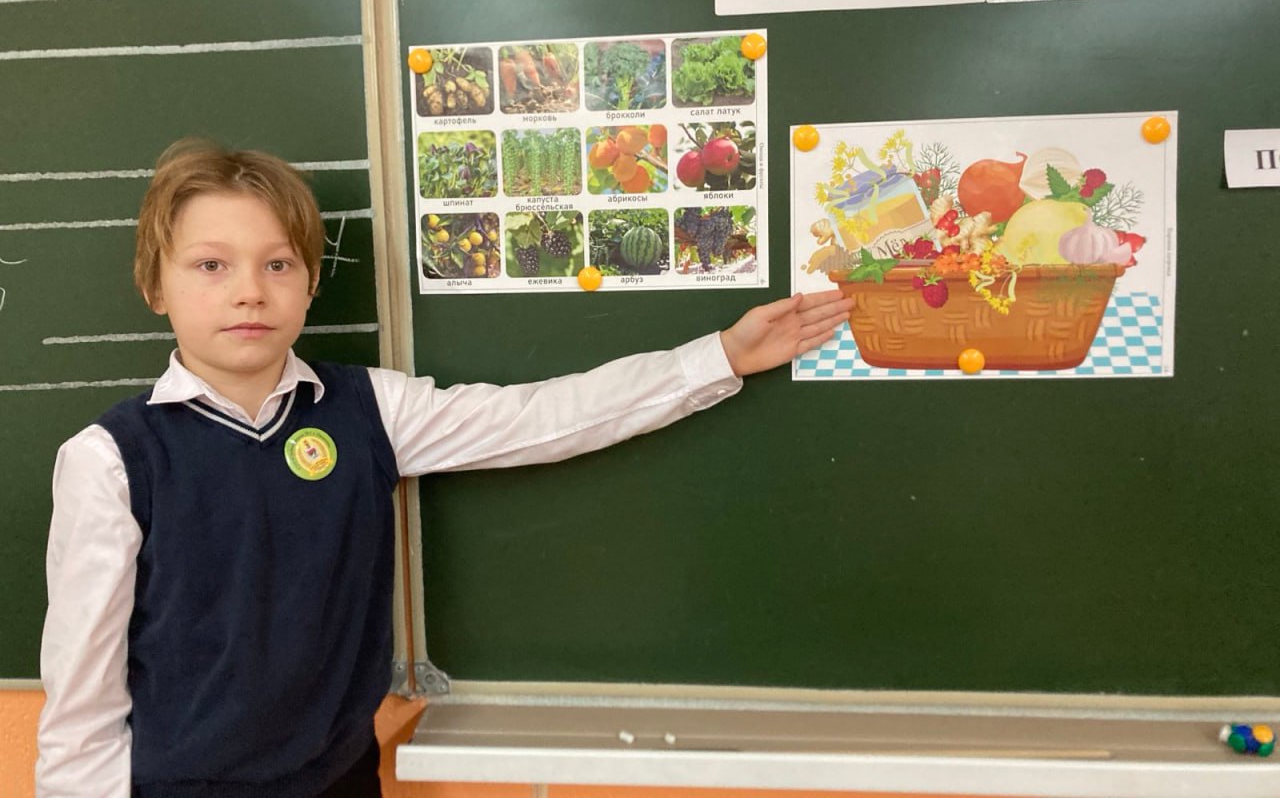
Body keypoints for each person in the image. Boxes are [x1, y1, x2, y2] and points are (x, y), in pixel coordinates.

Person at [36, 137, 853, 798]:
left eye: (277, 264)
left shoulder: (368, 410)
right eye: (210, 265)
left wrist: (720, 357)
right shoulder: (111, 461)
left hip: (337, 780)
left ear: (310, 282)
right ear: (155, 284)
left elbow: (546, 417)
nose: (249, 291)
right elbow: (81, 700)